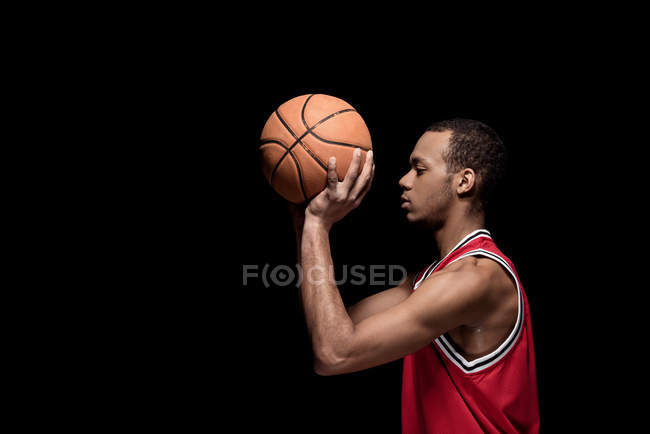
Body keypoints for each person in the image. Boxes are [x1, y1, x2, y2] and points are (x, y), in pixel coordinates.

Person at [289, 118, 539, 433]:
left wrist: (317, 225)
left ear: (464, 182)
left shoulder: (476, 279)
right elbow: (328, 329)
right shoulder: (433, 278)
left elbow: (335, 354)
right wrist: (304, 227)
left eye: (419, 170)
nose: (404, 181)